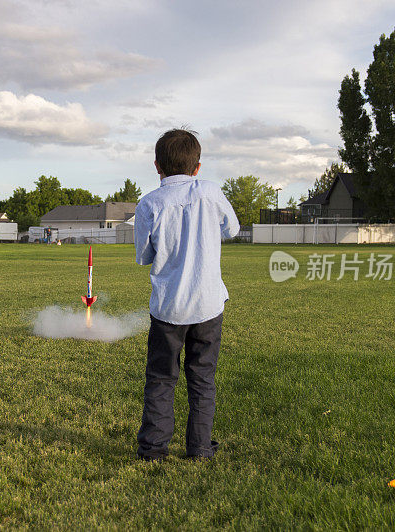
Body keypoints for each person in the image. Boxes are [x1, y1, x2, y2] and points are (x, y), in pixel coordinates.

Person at [133, 128, 240, 461]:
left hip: (168, 308)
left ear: (157, 166)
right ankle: (200, 449)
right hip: (208, 304)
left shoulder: (149, 203)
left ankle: (153, 449)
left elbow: (144, 256)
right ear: (197, 166)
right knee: (202, 378)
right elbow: (232, 229)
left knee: (162, 380)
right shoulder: (210, 192)